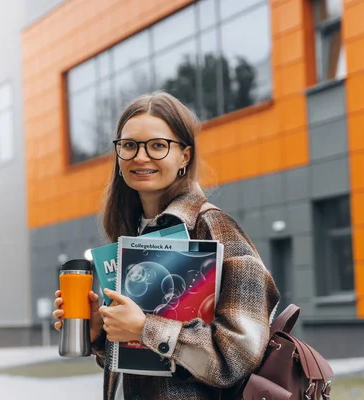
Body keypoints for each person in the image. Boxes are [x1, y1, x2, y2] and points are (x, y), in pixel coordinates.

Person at [53, 91, 280, 399]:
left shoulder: (212, 226)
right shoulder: (132, 234)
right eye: (129, 145)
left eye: (158, 145)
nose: (141, 157)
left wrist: (145, 328)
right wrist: (100, 333)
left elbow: (241, 353)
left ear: (184, 156)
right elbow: (147, 369)